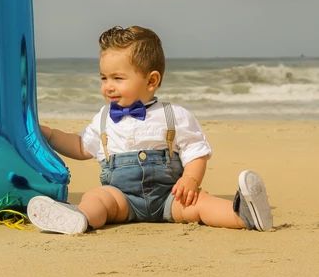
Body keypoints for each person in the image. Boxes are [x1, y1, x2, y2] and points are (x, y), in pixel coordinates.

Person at [27, 25, 273, 235]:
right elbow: (81, 147)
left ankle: (244, 217)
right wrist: (48, 134)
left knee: (200, 203)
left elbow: (195, 152)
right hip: (122, 199)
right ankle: (78, 219)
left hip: (169, 197)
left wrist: (190, 179)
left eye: (117, 78)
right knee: (96, 198)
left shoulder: (173, 115)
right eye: (104, 78)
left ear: (151, 81)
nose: (108, 87)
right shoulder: (103, 119)